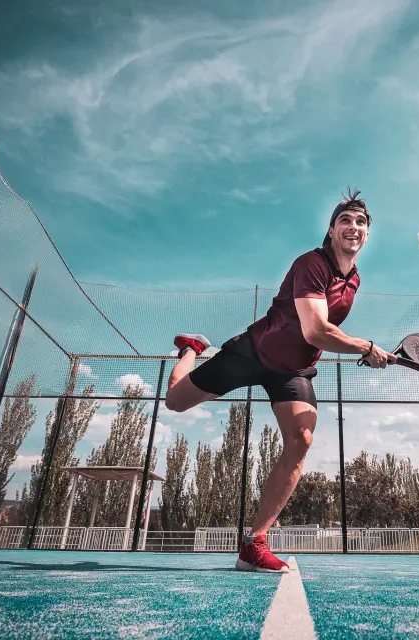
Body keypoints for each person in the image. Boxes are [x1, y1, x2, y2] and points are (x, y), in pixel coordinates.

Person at [164, 188, 396, 573]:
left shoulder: (354, 281)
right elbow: (316, 330)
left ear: (367, 234)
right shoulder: (311, 263)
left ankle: (254, 542)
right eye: (345, 220)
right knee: (175, 401)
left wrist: (364, 352)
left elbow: (324, 335)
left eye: (361, 222)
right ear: (331, 230)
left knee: (301, 438)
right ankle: (189, 349)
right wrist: (366, 347)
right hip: (254, 352)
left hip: (293, 370)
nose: (353, 227)